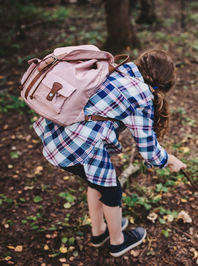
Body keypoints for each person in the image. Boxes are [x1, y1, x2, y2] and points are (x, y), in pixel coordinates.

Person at [33, 49, 186, 257]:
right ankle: (117, 242)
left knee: (96, 183)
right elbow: (149, 151)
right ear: (165, 83)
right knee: (111, 191)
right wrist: (169, 160)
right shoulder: (141, 94)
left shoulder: (116, 69)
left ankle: (99, 232)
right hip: (79, 148)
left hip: (57, 137)